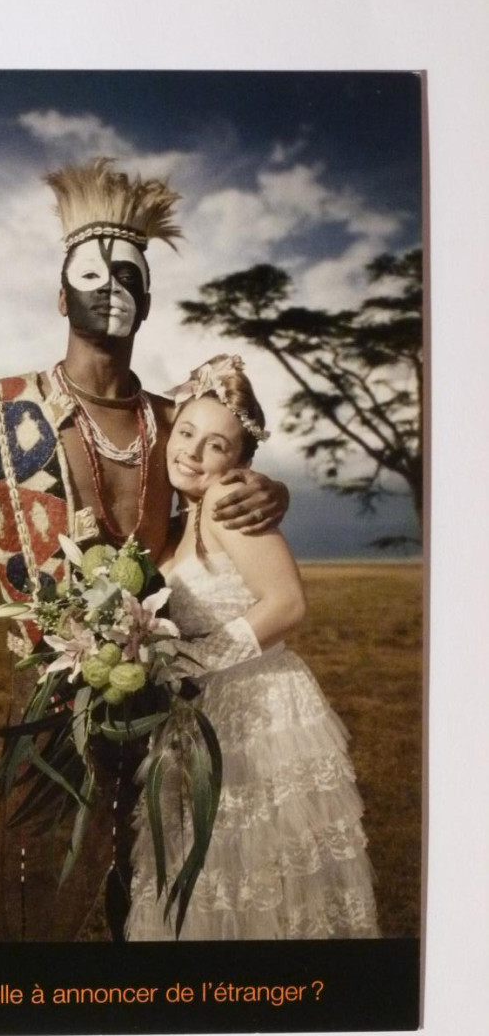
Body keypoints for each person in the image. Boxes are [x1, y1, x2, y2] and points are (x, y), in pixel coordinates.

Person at [0, 159, 290, 941]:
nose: (111, 286)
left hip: (168, 679)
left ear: (148, 299)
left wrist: (276, 493)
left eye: (130, 275)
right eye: (92, 272)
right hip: (51, 685)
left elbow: (236, 487)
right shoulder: (1, 417)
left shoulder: (175, 417)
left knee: (156, 859)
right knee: (36, 864)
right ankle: (26, 1011)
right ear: (58, 295)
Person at [126, 355, 380, 940]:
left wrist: (189, 662)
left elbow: (287, 604)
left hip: (255, 706)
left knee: (253, 867)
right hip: (199, 711)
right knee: (205, 870)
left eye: (216, 445)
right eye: (185, 432)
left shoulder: (226, 501)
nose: (191, 451)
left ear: (239, 461)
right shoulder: (173, 521)